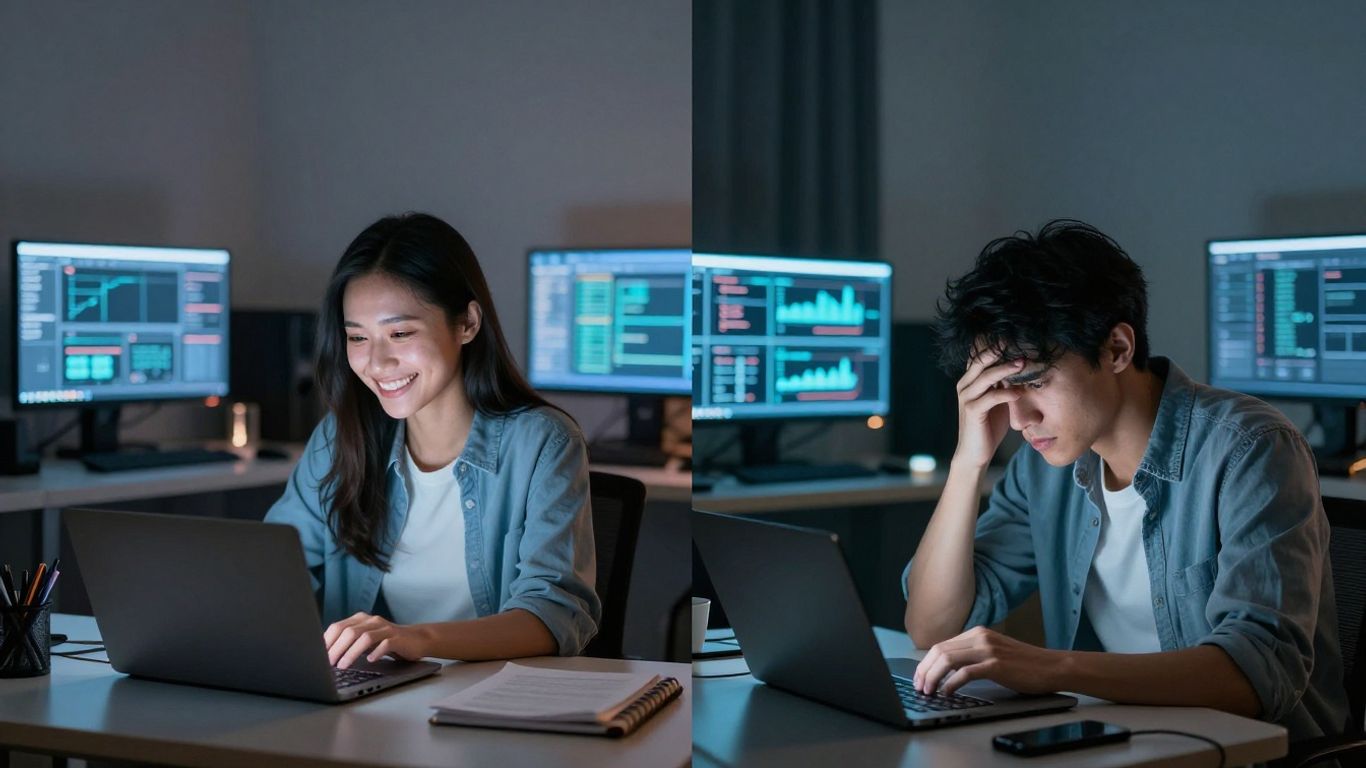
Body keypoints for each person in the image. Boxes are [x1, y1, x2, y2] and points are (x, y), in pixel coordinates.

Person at [901, 220, 1349, 742]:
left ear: (1116, 349)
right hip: (1130, 743)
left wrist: (1052, 668)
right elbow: (931, 626)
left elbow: (1257, 671)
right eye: (999, 389)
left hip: (1248, 754)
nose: (1019, 418)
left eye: (1032, 382)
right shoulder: (1044, 468)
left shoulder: (1252, 448)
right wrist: (967, 461)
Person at [266, 212, 599, 670]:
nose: (378, 362)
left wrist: (414, 639)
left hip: (491, 704)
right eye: (357, 337)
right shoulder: (340, 437)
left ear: (467, 323)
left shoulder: (542, 442)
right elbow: (271, 569)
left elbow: (554, 615)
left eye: (400, 333)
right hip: (369, 705)